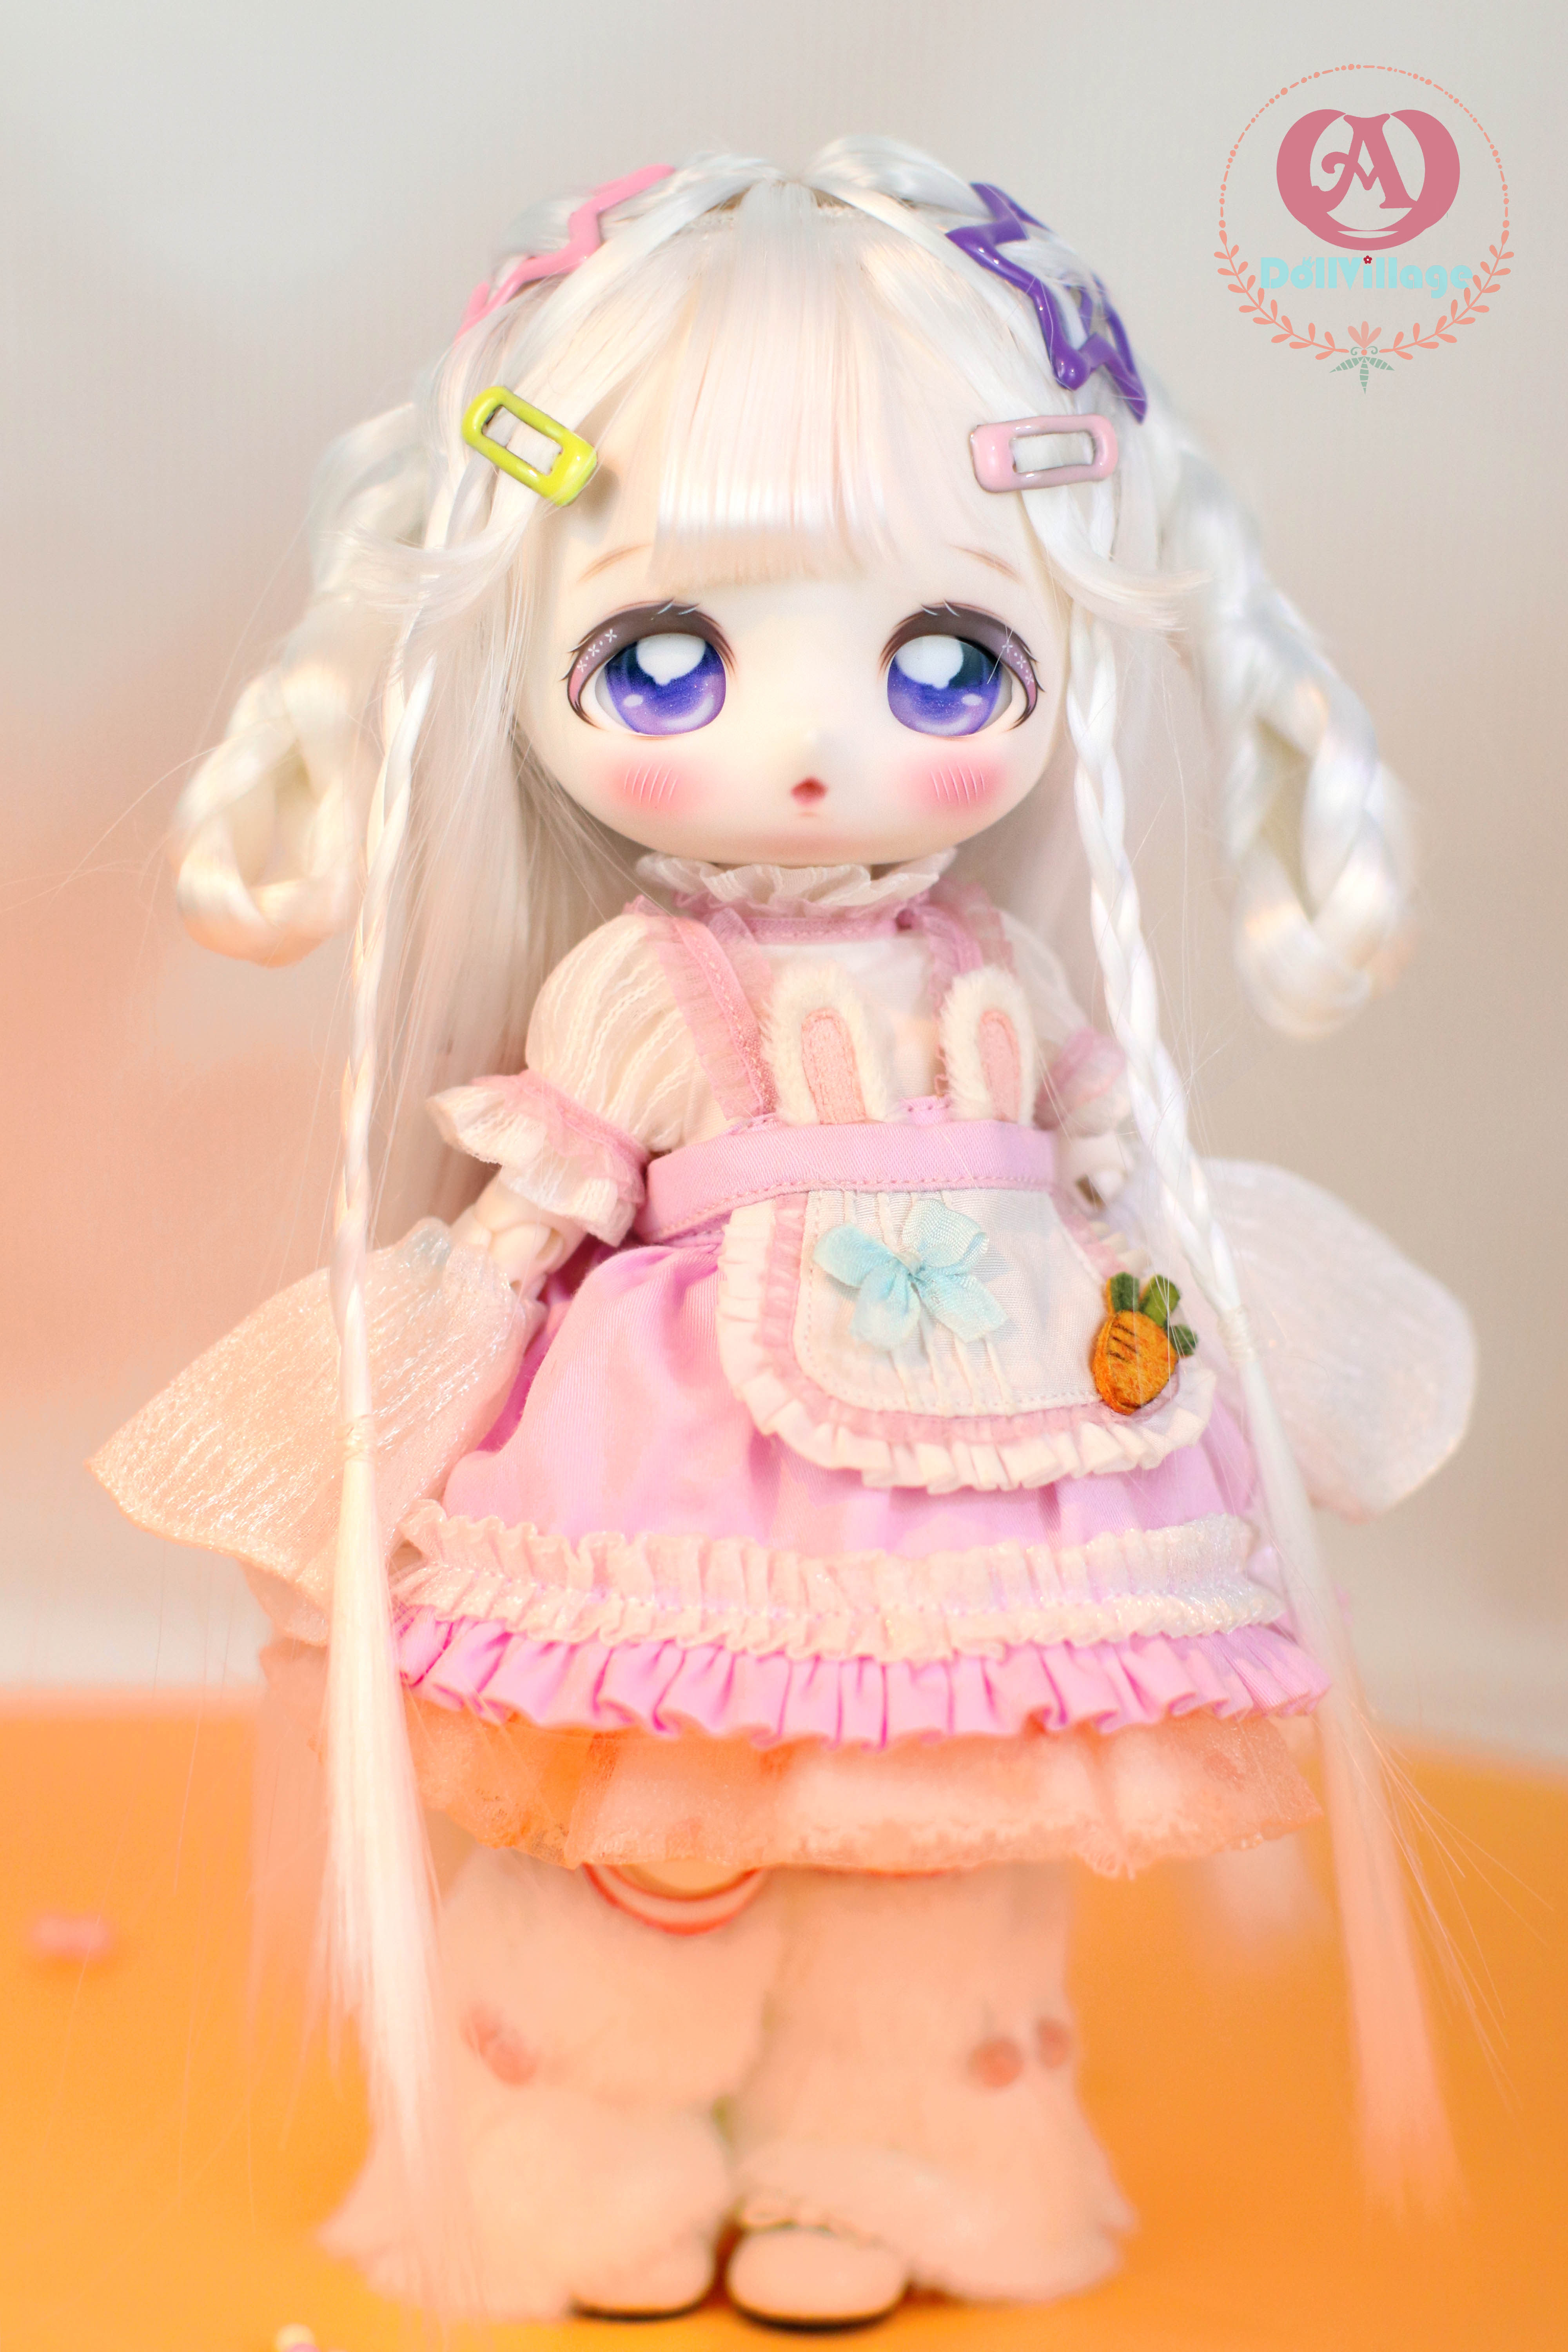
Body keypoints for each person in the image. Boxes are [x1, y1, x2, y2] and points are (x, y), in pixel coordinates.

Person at [94, 142, 1472, 2324]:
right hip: (684, 1482)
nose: (816, 751)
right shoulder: (651, 993)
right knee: (659, 1837)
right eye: (666, 663)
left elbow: (1121, 1178)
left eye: (947, 662)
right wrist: (384, 1412)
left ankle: (909, 2154)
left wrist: (1244, 1332)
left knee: (949, 1852)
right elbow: (539, 1213)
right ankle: (579, 2158)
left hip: (1013, 1487)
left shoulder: (1002, 986)